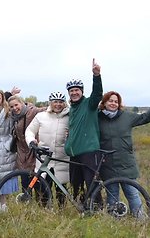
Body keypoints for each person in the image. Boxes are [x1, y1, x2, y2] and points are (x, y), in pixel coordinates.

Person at [98, 91, 150, 218]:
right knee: (112, 196)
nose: (113, 103)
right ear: (104, 103)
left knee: (132, 194)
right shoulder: (97, 118)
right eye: (110, 101)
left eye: (116, 101)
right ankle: (113, 224)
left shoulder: (127, 117)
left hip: (126, 164)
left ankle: (140, 222)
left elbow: (145, 117)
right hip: (107, 164)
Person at [64, 58, 103, 201]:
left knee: (91, 183)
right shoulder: (72, 109)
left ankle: (97, 209)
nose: (74, 93)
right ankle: (83, 208)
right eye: (71, 91)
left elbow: (97, 94)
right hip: (74, 153)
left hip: (88, 151)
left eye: (77, 90)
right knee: (76, 184)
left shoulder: (89, 104)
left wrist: (96, 76)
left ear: (81, 91)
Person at [25, 92, 70, 206]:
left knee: (61, 190)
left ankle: (61, 213)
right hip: (44, 159)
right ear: (51, 103)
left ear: (64, 103)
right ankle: (44, 213)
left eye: (61, 102)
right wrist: (31, 140)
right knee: (43, 189)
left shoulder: (69, 117)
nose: (58, 105)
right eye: (55, 102)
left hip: (62, 159)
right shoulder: (41, 116)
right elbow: (30, 130)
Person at [7, 95, 45, 194]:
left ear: (22, 103)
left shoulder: (31, 112)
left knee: (37, 182)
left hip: (33, 153)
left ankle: (41, 206)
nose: (14, 108)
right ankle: (27, 205)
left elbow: (45, 110)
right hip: (22, 155)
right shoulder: (13, 117)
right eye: (11, 107)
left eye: (16, 105)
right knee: (25, 183)